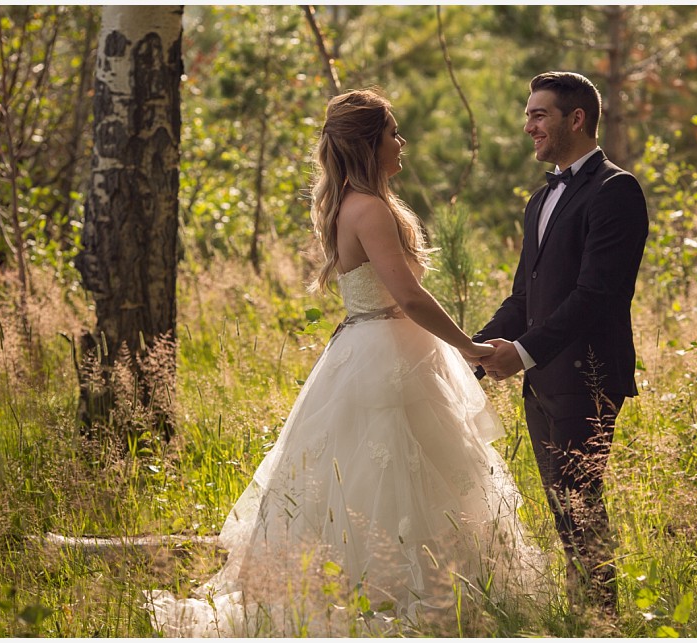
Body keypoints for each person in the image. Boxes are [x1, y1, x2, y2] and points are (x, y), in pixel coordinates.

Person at [146, 89, 547, 636]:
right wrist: (468, 346)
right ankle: (398, 599)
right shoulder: (371, 209)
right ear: (369, 143)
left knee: (392, 478)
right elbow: (407, 296)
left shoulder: (350, 204)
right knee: (395, 478)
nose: (401, 144)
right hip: (387, 355)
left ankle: (404, 595)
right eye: (393, 134)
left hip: (372, 349)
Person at [475, 71, 648, 612]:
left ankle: (603, 619)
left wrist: (521, 353)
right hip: (543, 381)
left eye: (539, 115)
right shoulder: (539, 199)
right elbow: (524, 298)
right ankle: (584, 614)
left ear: (577, 119)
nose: (528, 126)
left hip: (587, 377)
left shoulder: (616, 190)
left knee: (581, 507)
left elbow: (596, 294)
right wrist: (468, 353)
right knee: (563, 510)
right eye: (528, 114)